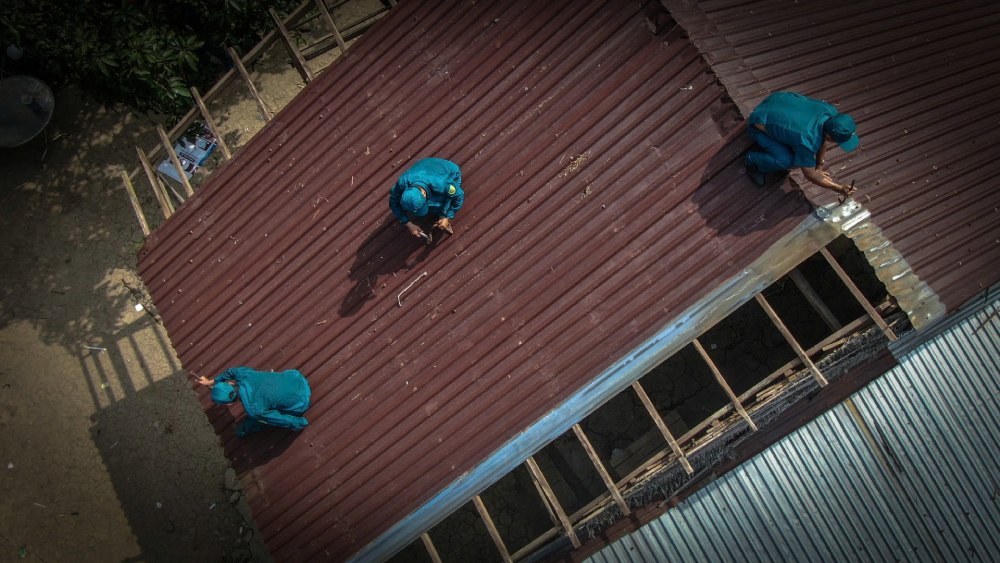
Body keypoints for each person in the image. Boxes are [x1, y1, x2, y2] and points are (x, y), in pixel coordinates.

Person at [744, 91, 859, 197]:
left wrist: (819, 165)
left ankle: (778, 132)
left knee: (795, 142)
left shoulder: (830, 112)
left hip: (777, 99)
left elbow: (822, 140)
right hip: (758, 124)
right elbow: (809, 174)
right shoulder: (807, 140)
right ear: (829, 136)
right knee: (788, 161)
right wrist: (838, 188)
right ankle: (752, 160)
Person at [196, 367, 311, 438]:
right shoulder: (243, 375)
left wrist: (300, 423)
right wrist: (213, 381)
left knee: (260, 418)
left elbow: (280, 419)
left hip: (302, 401)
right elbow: (231, 371)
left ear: (229, 403)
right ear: (230, 383)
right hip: (298, 379)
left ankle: (245, 430)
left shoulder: (254, 409)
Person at [388, 157, 464, 239]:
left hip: (450, 172)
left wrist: (447, 217)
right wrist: (408, 224)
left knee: (437, 204)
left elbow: (459, 195)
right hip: (425, 167)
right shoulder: (403, 182)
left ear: (424, 194)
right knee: (394, 192)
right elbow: (393, 203)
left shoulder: (440, 184)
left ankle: (442, 216)